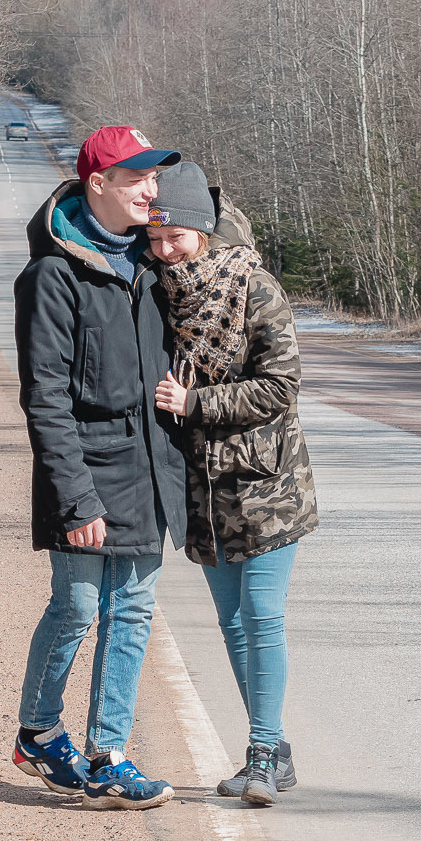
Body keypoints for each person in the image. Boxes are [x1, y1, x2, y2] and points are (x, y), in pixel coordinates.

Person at [9, 126, 188, 808]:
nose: (152, 190)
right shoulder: (52, 275)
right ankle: (37, 731)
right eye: (137, 178)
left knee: (133, 610)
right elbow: (45, 397)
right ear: (98, 185)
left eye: (155, 178)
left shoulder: (154, 267)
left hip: (148, 469)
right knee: (79, 603)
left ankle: (109, 754)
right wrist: (77, 500)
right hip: (84, 472)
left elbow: (217, 225)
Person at [148, 164, 318, 806]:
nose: (166, 250)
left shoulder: (254, 285)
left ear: (202, 228)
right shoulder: (159, 294)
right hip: (202, 491)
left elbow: (282, 388)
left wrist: (197, 403)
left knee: (263, 618)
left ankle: (263, 753)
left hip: (266, 482)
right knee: (233, 624)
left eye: (178, 237)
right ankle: (272, 751)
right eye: (155, 238)